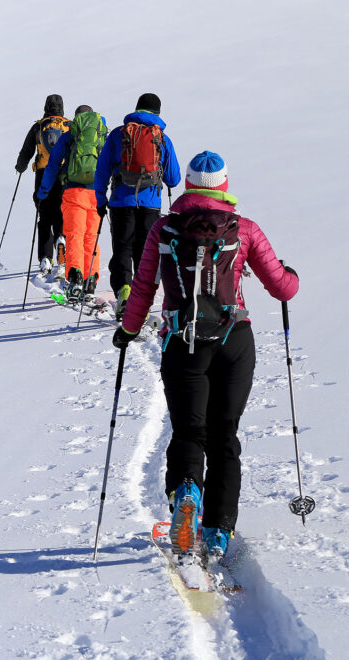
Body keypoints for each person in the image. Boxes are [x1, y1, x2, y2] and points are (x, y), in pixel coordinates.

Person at [112, 151, 299, 559]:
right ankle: (217, 530)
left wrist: (127, 330)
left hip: (183, 344)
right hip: (234, 341)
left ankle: (186, 491)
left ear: (189, 184)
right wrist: (291, 275)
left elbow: (143, 288)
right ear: (224, 185)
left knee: (188, 431)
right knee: (224, 434)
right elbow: (281, 288)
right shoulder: (243, 229)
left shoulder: (164, 229)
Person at [94, 93, 181, 318]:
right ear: (157, 113)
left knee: (122, 248)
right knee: (144, 253)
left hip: (121, 202)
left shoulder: (117, 135)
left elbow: (102, 170)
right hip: (151, 204)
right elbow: (173, 178)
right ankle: (141, 301)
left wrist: (100, 200)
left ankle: (124, 289)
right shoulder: (162, 138)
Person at [36, 105, 108, 301]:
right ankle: (90, 279)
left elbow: (52, 166)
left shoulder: (68, 136)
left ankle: (75, 278)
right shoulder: (101, 136)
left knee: (74, 235)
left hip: (73, 192)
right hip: (96, 194)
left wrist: (43, 191)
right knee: (91, 237)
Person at [15, 95, 68, 276]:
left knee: (45, 216)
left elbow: (27, 150)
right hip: (64, 175)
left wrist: (20, 166)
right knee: (62, 212)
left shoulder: (38, 126)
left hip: (44, 174)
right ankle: (61, 240)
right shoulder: (68, 126)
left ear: (46, 107)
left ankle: (45, 258)